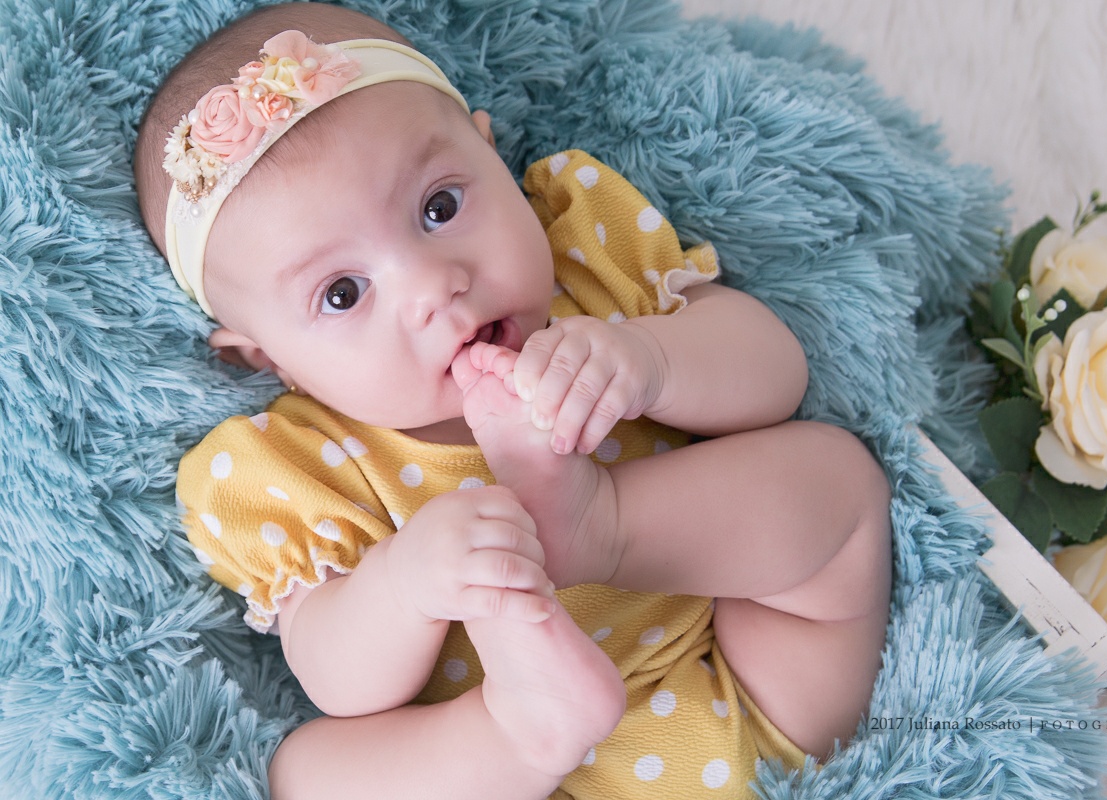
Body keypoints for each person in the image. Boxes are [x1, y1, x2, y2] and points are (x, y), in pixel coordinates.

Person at [133, 3, 893, 798]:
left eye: (440, 208)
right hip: (520, 772)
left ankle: (604, 526)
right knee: (306, 773)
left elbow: (776, 374)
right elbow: (334, 678)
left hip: (741, 700)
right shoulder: (302, 464)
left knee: (837, 482)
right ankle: (528, 725)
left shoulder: (590, 280)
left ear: (490, 154)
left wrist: (653, 360)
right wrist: (402, 585)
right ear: (268, 357)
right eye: (343, 292)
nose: (434, 286)